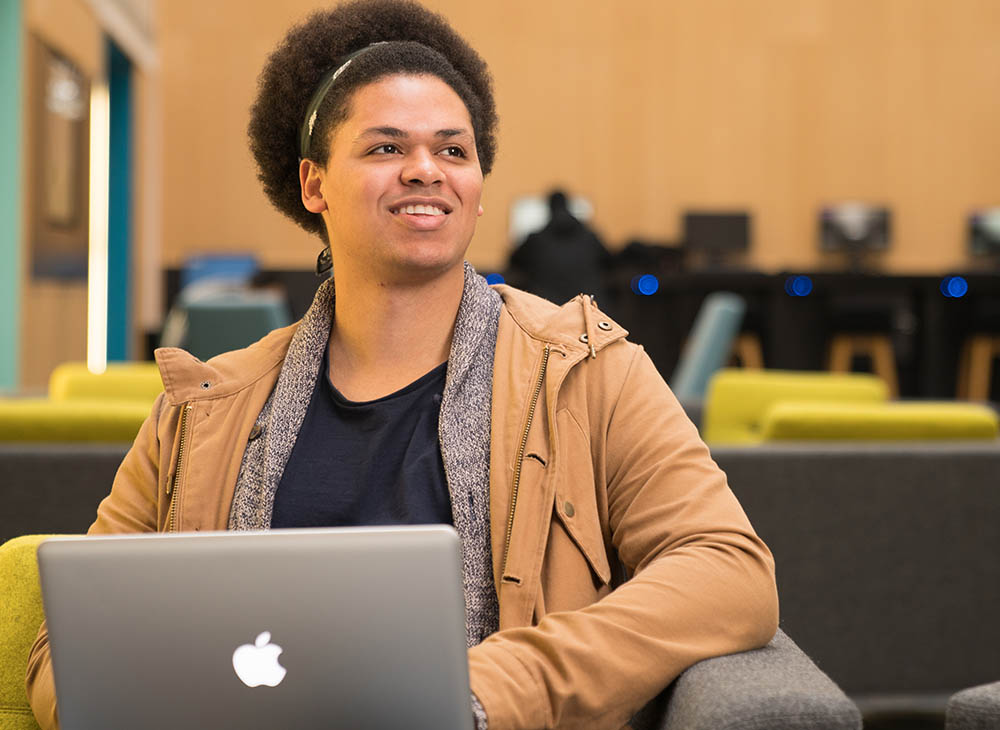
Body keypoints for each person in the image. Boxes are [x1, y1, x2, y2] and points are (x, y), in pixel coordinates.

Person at [26, 1, 778, 728]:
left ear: (478, 190)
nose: (427, 169)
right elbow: (62, 647)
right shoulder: (205, 408)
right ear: (313, 184)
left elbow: (728, 570)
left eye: (454, 150)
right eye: (387, 147)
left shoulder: (585, 370)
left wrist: (487, 688)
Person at [508, 189, 613, 310]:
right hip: (587, 311)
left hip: (547, 312)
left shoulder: (536, 240)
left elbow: (513, 262)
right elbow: (610, 263)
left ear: (548, 208)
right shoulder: (591, 238)